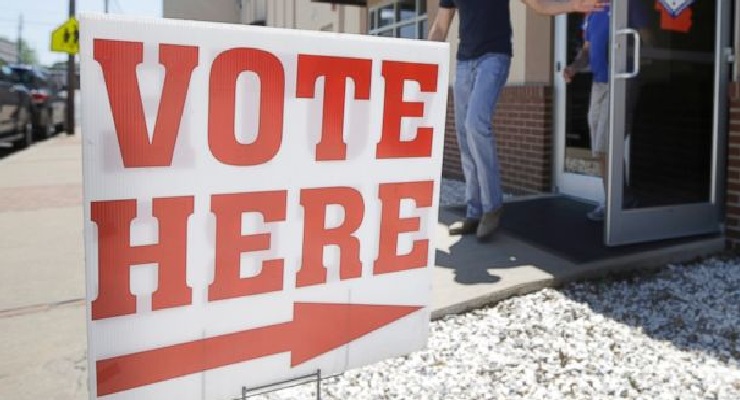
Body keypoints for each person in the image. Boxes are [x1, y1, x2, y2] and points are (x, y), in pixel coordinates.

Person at [428, 0, 604, 241]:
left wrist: (573, 5)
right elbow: (440, 26)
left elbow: (539, 5)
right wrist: (424, 62)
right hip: (464, 62)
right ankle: (474, 211)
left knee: (475, 124)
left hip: (494, 57)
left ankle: (492, 207)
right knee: (463, 135)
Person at [563, 0, 650, 222]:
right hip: (599, 83)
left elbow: (648, 40)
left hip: (621, 80)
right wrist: (574, 67)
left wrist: (624, 52)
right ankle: (619, 198)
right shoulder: (593, 10)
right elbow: (587, 50)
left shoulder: (629, 5)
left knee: (608, 143)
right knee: (601, 148)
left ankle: (615, 202)